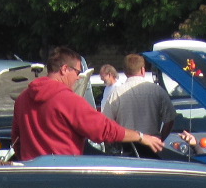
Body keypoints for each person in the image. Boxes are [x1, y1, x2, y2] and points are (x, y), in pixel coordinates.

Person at [12, 47, 163, 159]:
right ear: (64, 69)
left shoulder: (22, 99)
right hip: (63, 177)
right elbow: (103, 129)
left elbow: (17, 142)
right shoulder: (68, 100)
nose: (78, 77)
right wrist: (141, 137)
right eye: (77, 72)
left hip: (31, 178)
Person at [102, 53, 184, 156]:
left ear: (125, 72)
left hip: (126, 148)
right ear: (142, 70)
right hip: (152, 146)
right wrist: (160, 139)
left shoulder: (116, 93)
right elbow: (170, 119)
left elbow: (106, 123)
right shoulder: (158, 91)